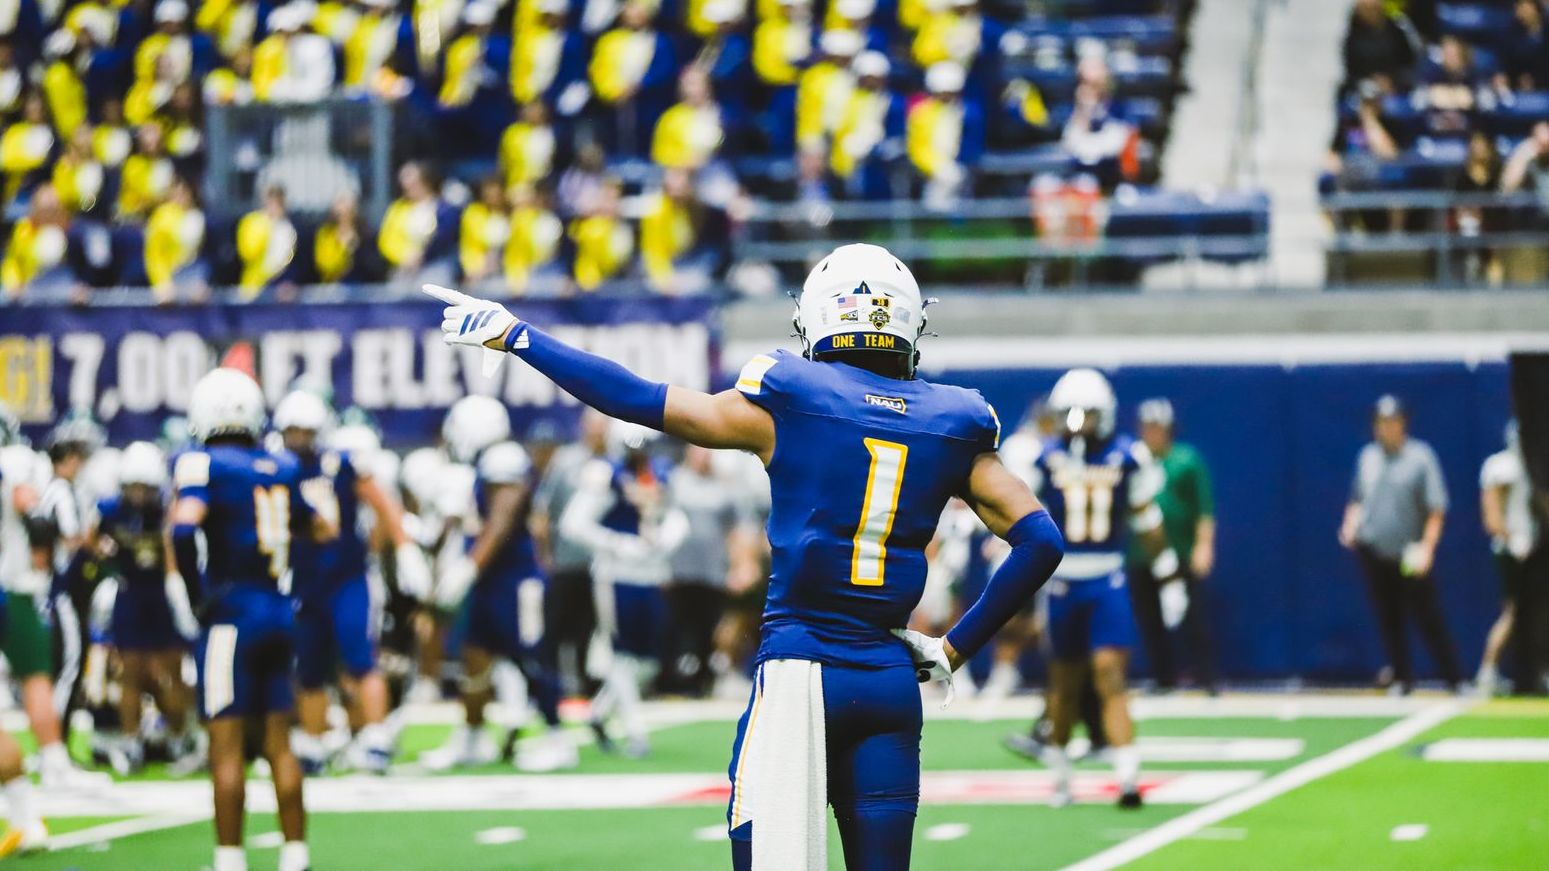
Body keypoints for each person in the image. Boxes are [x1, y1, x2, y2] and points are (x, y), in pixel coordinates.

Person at [425, 240, 1065, 869]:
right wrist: (953, 649)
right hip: (889, 681)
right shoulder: (954, 422)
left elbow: (640, 400)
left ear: (817, 315)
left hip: (800, 672)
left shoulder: (791, 396)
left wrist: (518, 336)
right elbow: (1040, 541)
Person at [169, 368, 335, 871]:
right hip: (278, 611)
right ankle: (295, 852)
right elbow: (320, 527)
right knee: (279, 740)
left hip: (230, 617)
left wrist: (196, 595)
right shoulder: (281, 464)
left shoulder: (202, 463)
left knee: (227, 745)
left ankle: (229, 857)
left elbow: (182, 529)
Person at [1005, 369, 1185, 809]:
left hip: (1107, 577)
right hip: (1063, 580)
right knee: (1063, 685)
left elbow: (1146, 519)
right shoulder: (1045, 457)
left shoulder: (1128, 456)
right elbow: (1030, 521)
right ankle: (1062, 777)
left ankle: (1127, 777)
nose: (1078, 422)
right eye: (1071, 413)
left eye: (1086, 414)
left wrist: (1167, 573)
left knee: (1110, 673)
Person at [274, 390, 430, 776]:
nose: (298, 438)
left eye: (304, 430)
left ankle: (375, 736)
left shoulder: (339, 463)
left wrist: (404, 547)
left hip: (346, 577)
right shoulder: (276, 467)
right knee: (308, 665)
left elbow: (381, 501)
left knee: (359, 656)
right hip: (304, 580)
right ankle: (313, 741)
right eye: (292, 430)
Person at [419, 396, 577, 772]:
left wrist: (468, 568)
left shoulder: (503, 459)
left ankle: (557, 738)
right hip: (492, 579)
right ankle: (472, 736)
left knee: (531, 657)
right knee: (474, 654)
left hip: (515, 579)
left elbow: (502, 521)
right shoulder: (483, 464)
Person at [562, 422, 688, 756]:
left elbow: (674, 516)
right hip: (615, 574)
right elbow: (574, 523)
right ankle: (635, 731)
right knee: (620, 654)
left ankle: (599, 712)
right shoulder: (604, 476)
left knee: (646, 660)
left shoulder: (660, 473)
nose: (640, 456)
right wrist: (617, 543)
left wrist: (668, 538)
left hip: (650, 573)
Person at [1339, 394, 1464, 694]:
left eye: (1392, 422)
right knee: (1388, 618)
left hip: (1410, 551)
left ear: (1403, 423)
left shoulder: (1420, 457)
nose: (1386, 429)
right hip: (1374, 549)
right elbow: (1357, 498)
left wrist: (1427, 548)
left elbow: (1436, 508)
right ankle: (1402, 678)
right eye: (1381, 423)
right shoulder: (1367, 457)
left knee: (1426, 616)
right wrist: (1349, 524)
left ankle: (1454, 678)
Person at [92, 441, 197, 775]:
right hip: (131, 593)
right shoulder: (110, 509)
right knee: (130, 672)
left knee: (171, 672)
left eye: (144, 487)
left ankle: (179, 736)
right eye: (132, 487)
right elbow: (91, 541)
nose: (138, 495)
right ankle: (130, 740)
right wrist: (103, 555)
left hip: (162, 593)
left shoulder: (168, 508)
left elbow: (179, 548)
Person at [1129, 398, 1218, 693]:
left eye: (1157, 428)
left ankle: (1207, 677)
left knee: (1193, 617)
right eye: (1147, 427)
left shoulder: (1186, 459)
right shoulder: (1133, 460)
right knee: (1150, 618)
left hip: (1178, 550)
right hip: (1143, 553)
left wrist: (1203, 546)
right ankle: (1162, 677)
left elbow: (1204, 508)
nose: (1152, 433)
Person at [531, 409, 610, 695]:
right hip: (565, 561)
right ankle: (547, 688)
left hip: (601, 566)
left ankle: (583, 687)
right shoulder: (566, 462)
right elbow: (541, 513)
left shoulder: (614, 462)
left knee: (589, 630)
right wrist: (545, 556)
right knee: (555, 628)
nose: (598, 433)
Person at [1476, 421, 1544, 696]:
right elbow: (1492, 514)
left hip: (1534, 548)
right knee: (1514, 613)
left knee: (1535, 614)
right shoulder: (1504, 466)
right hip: (1512, 549)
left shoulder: (1534, 468)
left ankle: (1535, 672)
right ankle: (1488, 671)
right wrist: (1511, 538)